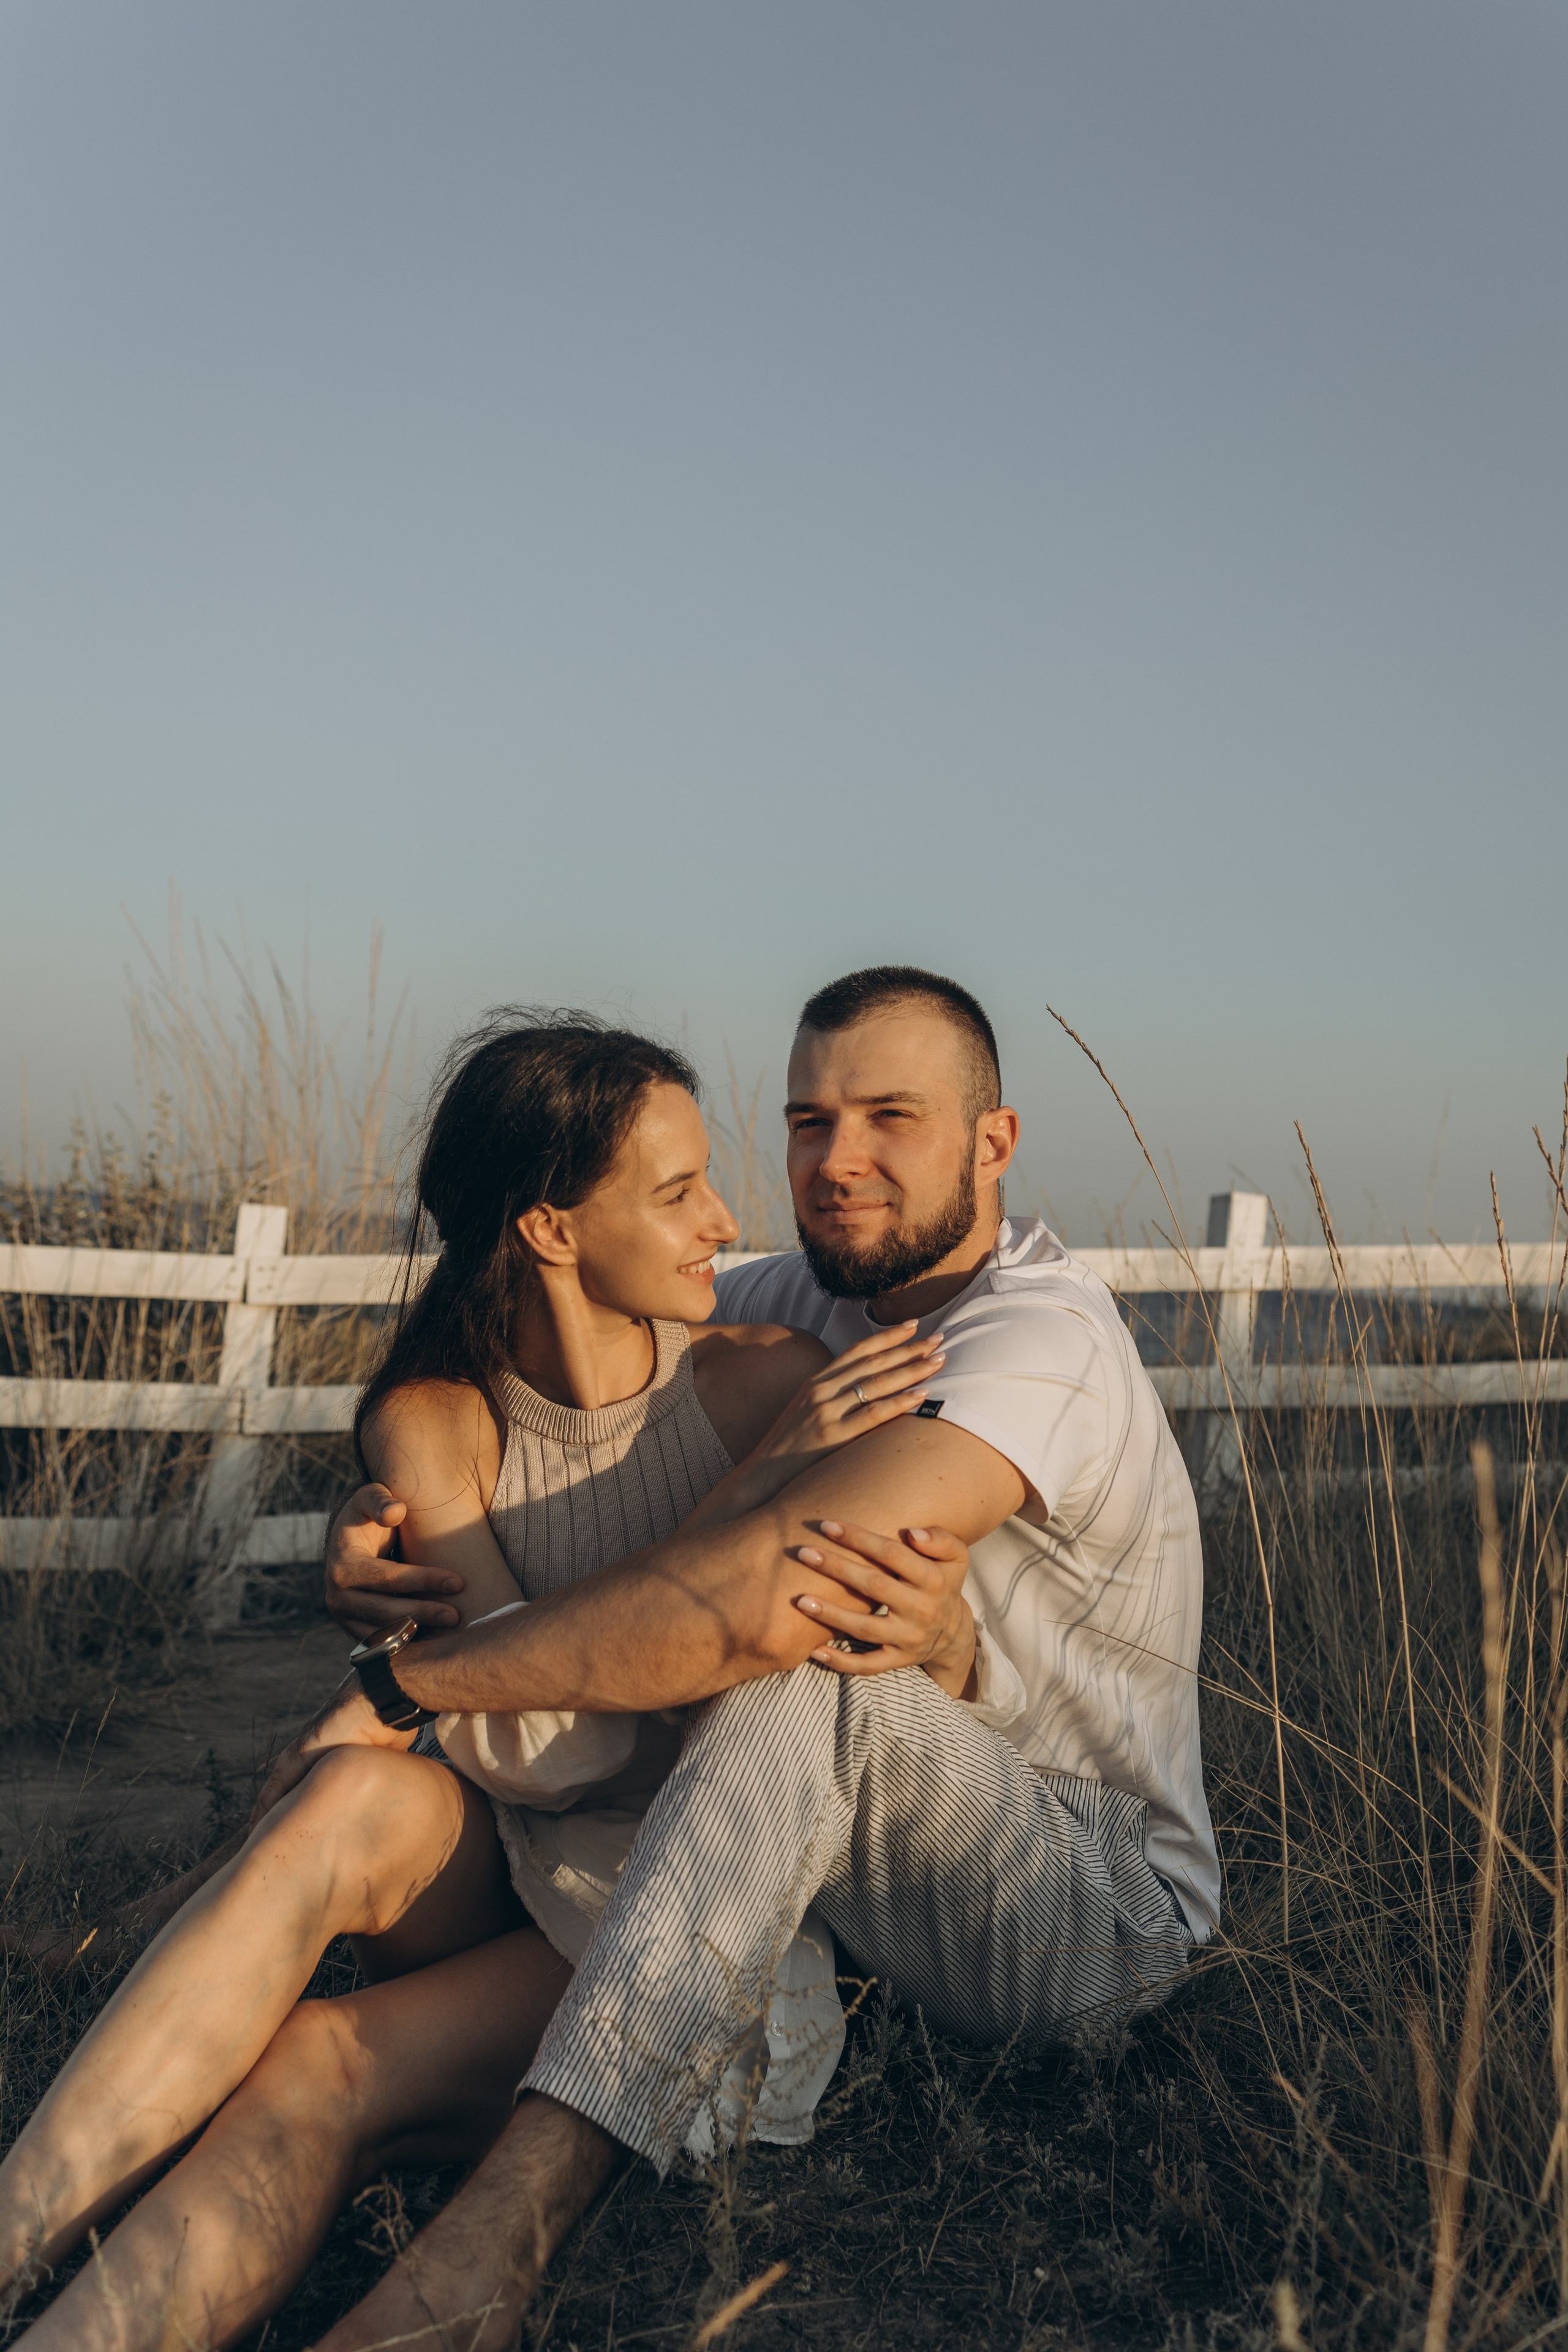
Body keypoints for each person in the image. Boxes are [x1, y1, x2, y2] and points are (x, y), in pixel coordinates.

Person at [295, 963, 1218, 2352]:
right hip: (870, 1896)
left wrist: (412, 1683)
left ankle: (492, 2251)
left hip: (1086, 1912)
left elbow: (772, 1590)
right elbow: (522, 1329)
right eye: (805, 1121)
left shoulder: (1037, 1341)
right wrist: (373, 1519)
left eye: (888, 1118)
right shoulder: (795, 1292)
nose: (834, 1163)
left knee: (801, 1651)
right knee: (792, 1665)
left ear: (992, 1143)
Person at [0, 1012, 950, 2351]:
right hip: (512, 1857)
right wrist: (739, 1512)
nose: (724, 1219)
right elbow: (530, 1753)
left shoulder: (773, 1387)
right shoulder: (438, 1418)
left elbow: (717, 1703)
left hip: (689, 1919)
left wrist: (753, 1485)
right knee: (341, 1794)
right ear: (552, 1228)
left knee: (320, 2057)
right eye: (675, 1190)